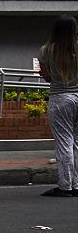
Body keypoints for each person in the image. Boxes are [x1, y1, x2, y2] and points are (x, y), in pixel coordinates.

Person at [37, 15, 78, 197]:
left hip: (60, 96)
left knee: (64, 142)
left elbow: (47, 78)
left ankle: (65, 186)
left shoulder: (47, 50)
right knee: (76, 143)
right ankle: (76, 185)